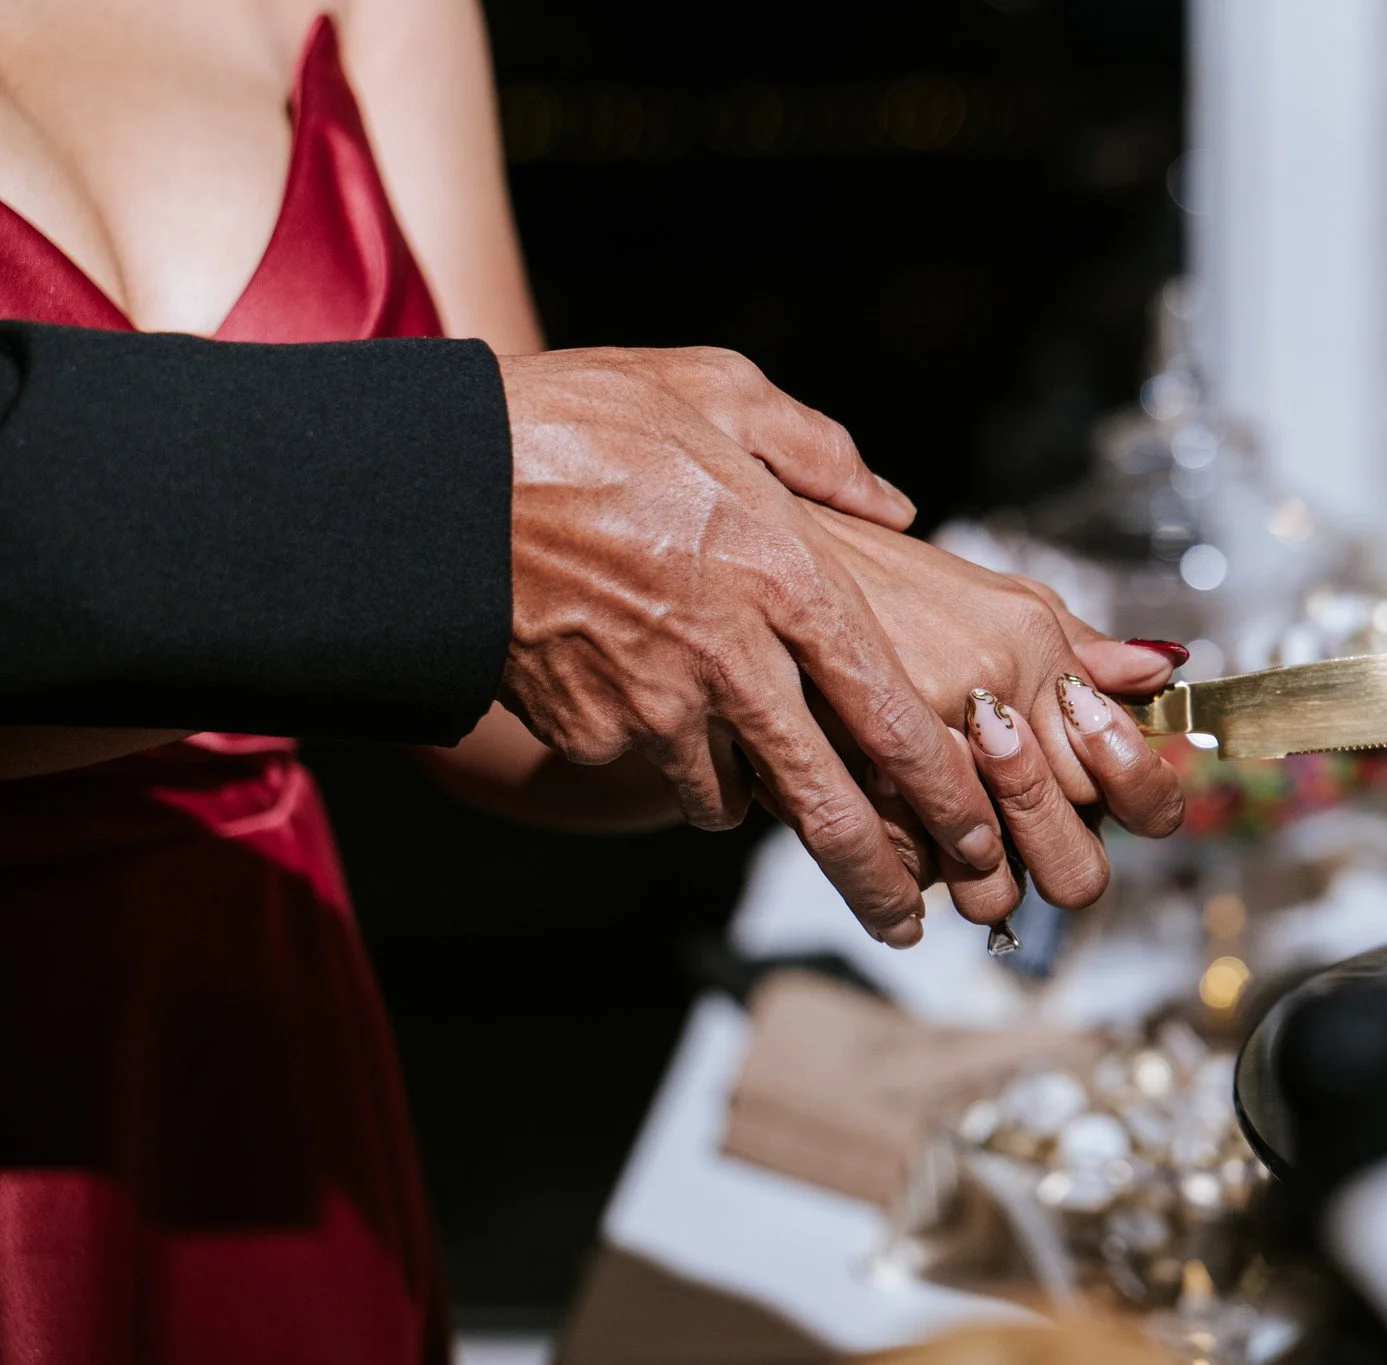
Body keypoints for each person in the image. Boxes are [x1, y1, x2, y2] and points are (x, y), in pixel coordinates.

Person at [0, 1, 1184, 1358]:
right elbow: (494, 529)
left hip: (248, 1055)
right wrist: (472, 513)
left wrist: (803, 654)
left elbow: (510, 688)